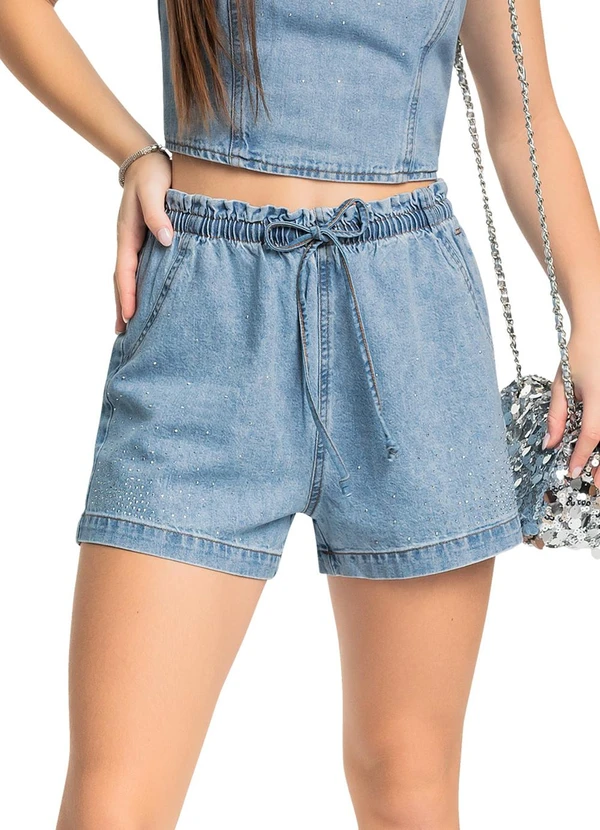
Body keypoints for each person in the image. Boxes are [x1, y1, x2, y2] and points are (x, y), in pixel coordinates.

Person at [1, 0, 599, 827]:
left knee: (408, 781)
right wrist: (132, 151)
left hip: (412, 324)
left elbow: (524, 115)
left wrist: (592, 311)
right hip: (206, 312)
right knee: (116, 796)